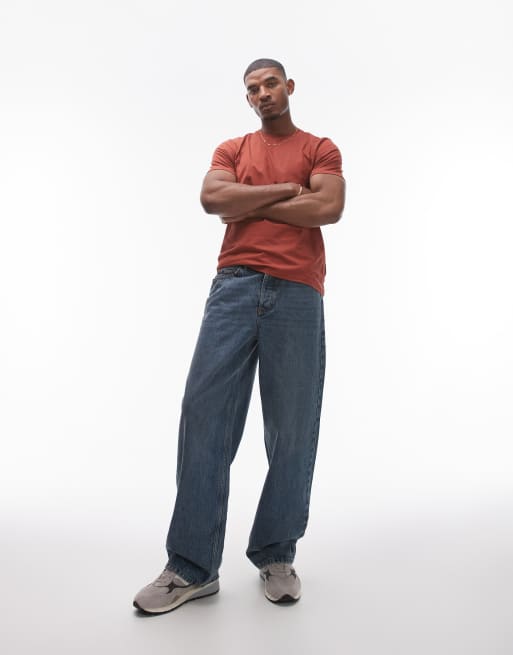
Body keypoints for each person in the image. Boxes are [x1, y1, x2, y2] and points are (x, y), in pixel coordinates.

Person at [133, 58, 345, 614]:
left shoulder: (321, 148)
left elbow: (329, 207)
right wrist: (287, 191)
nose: (262, 93)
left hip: (298, 292)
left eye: (271, 83)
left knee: (292, 428)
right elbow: (213, 200)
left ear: (289, 86)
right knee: (203, 416)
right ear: (247, 98)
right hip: (234, 286)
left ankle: (277, 554)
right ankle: (191, 567)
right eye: (252, 89)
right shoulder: (231, 149)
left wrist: (249, 199)